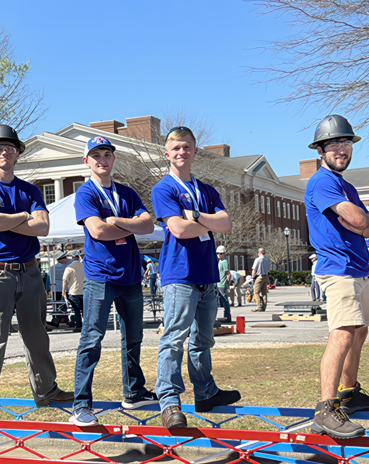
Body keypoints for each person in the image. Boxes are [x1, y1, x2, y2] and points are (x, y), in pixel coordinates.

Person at [0, 125, 73, 423]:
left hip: (31, 270)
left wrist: (11, 219)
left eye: (10, 148)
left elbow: (44, 228)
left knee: (37, 337)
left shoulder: (31, 190)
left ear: (18, 153)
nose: (4, 153)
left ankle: (46, 390)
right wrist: (25, 216)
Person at [151, 125, 241, 429]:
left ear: (195, 151)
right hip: (180, 274)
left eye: (187, 147)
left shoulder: (207, 190)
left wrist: (198, 217)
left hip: (207, 274)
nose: (181, 152)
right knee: (174, 339)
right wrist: (207, 223)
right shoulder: (164, 188)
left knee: (203, 340)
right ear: (167, 154)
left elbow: (226, 223)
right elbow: (178, 229)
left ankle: (205, 392)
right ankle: (169, 401)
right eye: (176, 148)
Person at [304, 114, 369, 439]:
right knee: (341, 335)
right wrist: (362, 220)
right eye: (335, 143)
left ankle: (349, 394)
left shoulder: (346, 186)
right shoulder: (323, 182)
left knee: (359, 331)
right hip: (337, 269)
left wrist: (364, 221)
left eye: (346, 142)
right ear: (321, 150)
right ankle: (327, 410)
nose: (342, 148)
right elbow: (357, 219)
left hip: (355, 268)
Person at [68, 136, 159, 426]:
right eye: (96, 156)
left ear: (113, 159)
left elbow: (148, 226)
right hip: (100, 277)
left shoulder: (127, 193)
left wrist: (116, 221)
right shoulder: (85, 194)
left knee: (134, 337)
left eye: (106, 154)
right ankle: (81, 405)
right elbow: (97, 231)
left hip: (131, 276)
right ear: (87, 161)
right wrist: (126, 223)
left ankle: (133, 392)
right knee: (91, 339)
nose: (102, 160)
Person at [63, 252, 85, 330]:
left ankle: (78, 326)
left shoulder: (69, 267)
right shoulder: (84, 266)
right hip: (84, 291)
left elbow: (65, 280)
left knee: (76, 310)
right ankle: (86, 326)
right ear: (78, 257)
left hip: (73, 292)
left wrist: (63, 292)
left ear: (72, 258)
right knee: (84, 310)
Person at [216, 245, 232, 322]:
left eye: (220, 253)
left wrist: (227, 283)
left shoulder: (224, 262)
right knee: (218, 300)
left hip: (222, 284)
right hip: (218, 283)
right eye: (218, 253)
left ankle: (227, 315)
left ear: (223, 254)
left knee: (225, 300)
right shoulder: (219, 262)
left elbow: (228, 273)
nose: (219, 255)